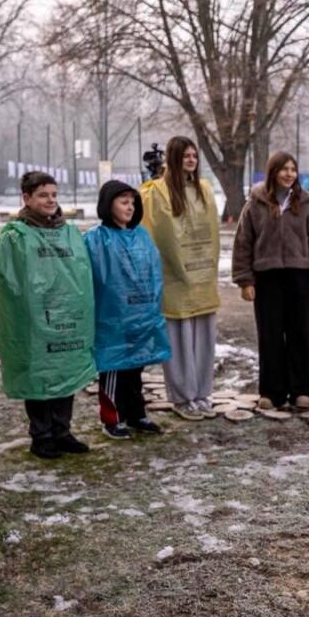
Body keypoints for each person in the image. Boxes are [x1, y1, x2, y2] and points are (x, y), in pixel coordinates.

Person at [0, 171, 96, 460]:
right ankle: (41, 435)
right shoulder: (15, 237)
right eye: (43, 195)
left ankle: (62, 431)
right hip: (34, 319)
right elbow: (8, 284)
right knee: (39, 372)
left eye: (53, 194)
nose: (50, 200)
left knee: (65, 367)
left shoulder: (69, 232)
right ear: (26, 198)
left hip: (68, 315)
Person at [231, 151, 309, 411]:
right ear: (272, 172)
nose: (289, 174)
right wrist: (245, 280)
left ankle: (302, 390)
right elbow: (243, 242)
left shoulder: (306, 203)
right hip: (267, 278)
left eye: (292, 169)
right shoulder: (255, 203)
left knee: (299, 333)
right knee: (270, 334)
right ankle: (272, 391)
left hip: (299, 276)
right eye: (283, 169)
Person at [141, 137, 221, 421]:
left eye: (194, 156)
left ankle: (201, 392)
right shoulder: (155, 193)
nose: (191, 160)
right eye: (185, 156)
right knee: (179, 339)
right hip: (173, 276)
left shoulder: (204, 189)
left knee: (203, 338)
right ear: (173, 159)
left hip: (202, 276)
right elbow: (154, 233)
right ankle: (182, 396)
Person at [84, 180, 171, 440]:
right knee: (112, 368)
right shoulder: (95, 240)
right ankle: (112, 418)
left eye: (132, 202)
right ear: (108, 205)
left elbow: (154, 273)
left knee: (135, 367)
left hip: (141, 314)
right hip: (112, 318)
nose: (130, 207)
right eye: (123, 202)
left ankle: (136, 414)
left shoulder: (142, 236)